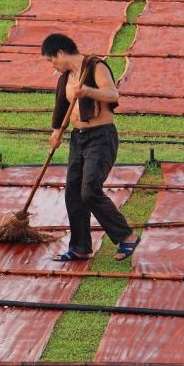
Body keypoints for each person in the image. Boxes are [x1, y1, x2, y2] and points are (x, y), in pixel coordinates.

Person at [41, 33, 139, 262]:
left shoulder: (96, 67)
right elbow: (63, 108)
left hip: (101, 138)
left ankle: (127, 237)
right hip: (78, 138)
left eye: (51, 60)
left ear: (61, 53)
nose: (52, 65)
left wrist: (87, 91)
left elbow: (112, 94)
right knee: (73, 193)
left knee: (90, 190)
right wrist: (57, 133)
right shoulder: (66, 77)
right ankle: (80, 247)